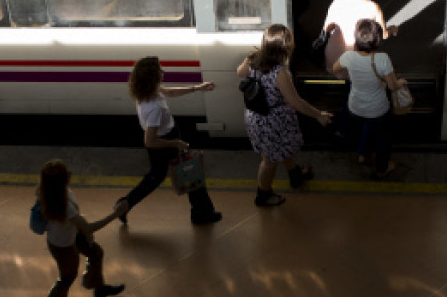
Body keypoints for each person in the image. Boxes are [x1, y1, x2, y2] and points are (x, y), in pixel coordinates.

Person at [117, 56, 222, 225]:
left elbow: (170, 92)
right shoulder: (154, 107)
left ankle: (125, 204)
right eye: (159, 70)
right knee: (191, 171)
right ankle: (202, 213)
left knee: (155, 177)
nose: (162, 72)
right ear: (152, 77)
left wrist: (197, 88)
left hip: (166, 140)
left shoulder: (148, 92)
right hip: (165, 142)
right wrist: (176, 143)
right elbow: (150, 141)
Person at [238, 24, 333, 206]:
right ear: (286, 47)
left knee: (280, 147)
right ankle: (263, 195)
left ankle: (295, 174)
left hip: (256, 117)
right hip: (273, 120)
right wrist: (318, 115)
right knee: (269, 161)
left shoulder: (252, 59)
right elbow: (295, 102)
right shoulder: (279, 72)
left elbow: (240, 73)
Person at [34, 160, 128, 297]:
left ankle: (97, 286)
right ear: (64, 180)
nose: (70, 173)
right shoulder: (64, 206)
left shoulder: (45, 191)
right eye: (66, 173)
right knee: (66, 278)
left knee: (96, 252)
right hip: (64, 246)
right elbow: (88, 228)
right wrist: (116, 214)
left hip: (69, 236)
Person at [332, 19, 405, 178]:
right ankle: (381, 169)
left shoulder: (348, 56)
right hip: (377, 110)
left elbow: (335, 69)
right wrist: (401, 82)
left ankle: (363, 155)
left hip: (355, 107)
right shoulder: (382, 58)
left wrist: (351, 78)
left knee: (361, 131)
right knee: (382, 139)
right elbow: (392, 86)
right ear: (377, 39)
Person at [320, 0, 399, 73]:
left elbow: (327, 28)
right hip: (356, 63)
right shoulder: (373, 7)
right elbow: (384, 35)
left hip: (333, 59)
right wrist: (392, 29)